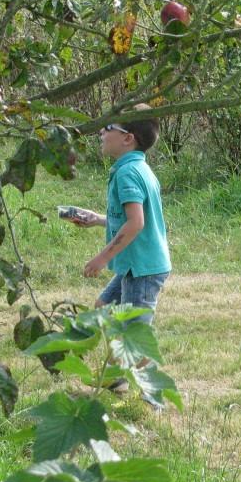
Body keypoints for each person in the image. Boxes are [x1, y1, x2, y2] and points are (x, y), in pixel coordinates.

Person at [66, 112, 171, 327]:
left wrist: (102, 258)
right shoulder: (138, 168)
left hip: (142, 268)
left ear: (127, 138)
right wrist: (96, 219)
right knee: (104, 306)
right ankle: (119, 356)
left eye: (108, 127)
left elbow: (136, 223)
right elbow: (135, 219)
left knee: (134, 334)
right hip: (137, 264)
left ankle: (133, 360)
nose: (101, 131)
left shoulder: (127, 173)